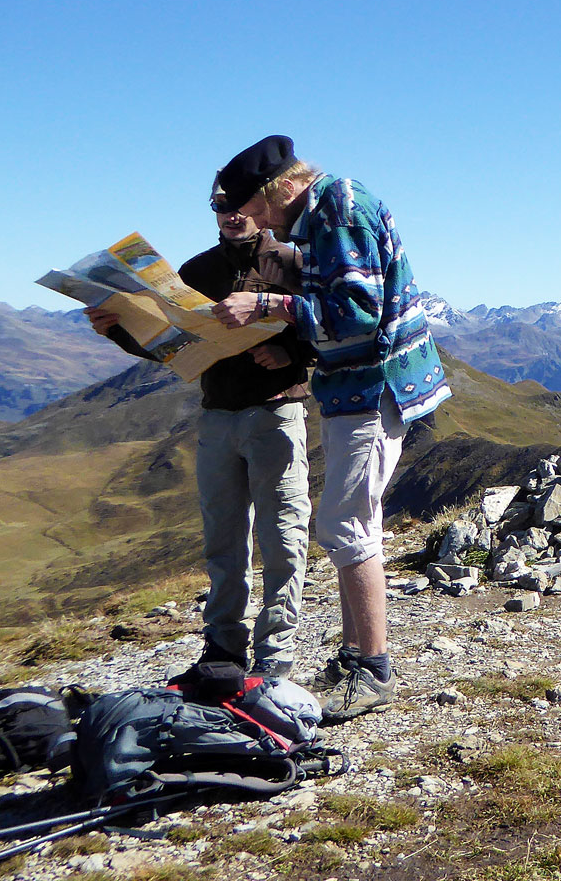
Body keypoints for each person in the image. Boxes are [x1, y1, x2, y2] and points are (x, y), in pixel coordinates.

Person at [210, 135, 451, 723]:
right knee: (347, 521)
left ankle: (373, 670)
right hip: (355, 388)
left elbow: (356, 315)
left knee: (348, 524)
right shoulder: (324, 212)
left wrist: (269, 306)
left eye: (261, 207)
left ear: (284, 188)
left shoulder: (338, 210)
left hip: (373, 386)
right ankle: (352, 657)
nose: (262, 222)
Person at [86, 187, 315, 680]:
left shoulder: (294, 263)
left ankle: (276, 655)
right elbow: (170, 344)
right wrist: (117, 330)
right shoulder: (196, 270)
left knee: (284, 537)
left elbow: (337, 325)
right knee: (223, 537)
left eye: (239, 203)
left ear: (261, 207)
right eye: (219, 205)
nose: (230, 214)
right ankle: (222, 647)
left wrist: (293, 358)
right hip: (217, 415)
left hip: (277, 414)